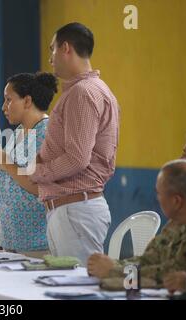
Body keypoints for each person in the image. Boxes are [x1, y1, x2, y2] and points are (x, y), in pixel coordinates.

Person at [28, 22, 119, 264]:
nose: (50, 59)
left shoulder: (83, 93)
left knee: (77, 288)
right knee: (65, 286)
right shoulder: (88, 90)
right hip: (71, 210)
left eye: (52, 50)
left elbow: (77, 158)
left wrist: (38, 172)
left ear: (66, 48)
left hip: (75, 209)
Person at [0, 72, 57, 258]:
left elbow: (39, 187)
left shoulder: (46, 132)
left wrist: (5, 163)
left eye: (8, 100)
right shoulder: (19, 131)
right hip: (12, 240)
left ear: (27, 101)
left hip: (37, 243)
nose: (3, 107)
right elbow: (19, 174)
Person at [87, 159, 186, 288]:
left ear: (176, 201)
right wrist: (113, 265)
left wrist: (114, 271)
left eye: (159, 193)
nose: (157, 198)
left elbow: (171, 276)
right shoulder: (178, 221)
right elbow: (150, 258)